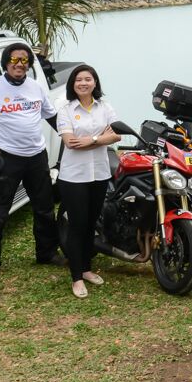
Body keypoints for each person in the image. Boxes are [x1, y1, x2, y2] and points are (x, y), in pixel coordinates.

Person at [0, 40, 59, 281]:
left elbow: (52, 117)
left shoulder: (36, 87)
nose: (19, 64)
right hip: (6, 159)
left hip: (37, 156)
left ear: (29, 64)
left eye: (24, 60)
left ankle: (47, 253)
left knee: (45, 209)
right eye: (14, 60)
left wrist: (70, 138)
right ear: (6, 63)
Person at [55, 64, 121, 298]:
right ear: (73, 85)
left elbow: (116, 134)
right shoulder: (65, 110)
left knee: (91, 224)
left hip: (99, 174)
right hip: (74, 176)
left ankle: (86, 269)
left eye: (88, 79)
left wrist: (91, 139)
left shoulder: (105, 107)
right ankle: (76, 278)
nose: (83, 83)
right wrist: (101, 138)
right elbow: (70, 142)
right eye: (78, 80)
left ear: (95, 83)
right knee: (77, 224)